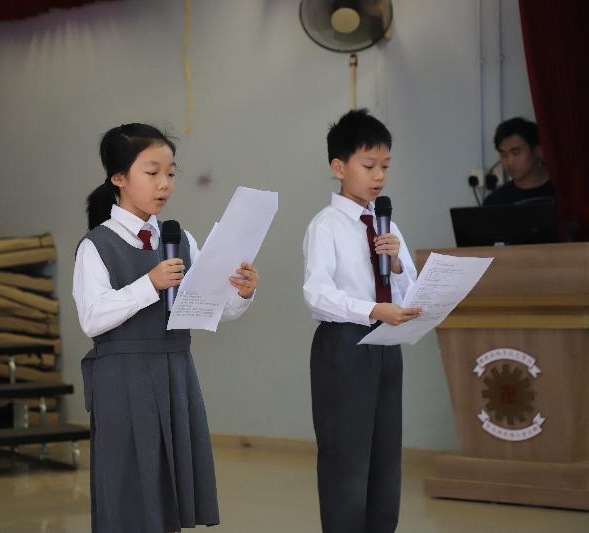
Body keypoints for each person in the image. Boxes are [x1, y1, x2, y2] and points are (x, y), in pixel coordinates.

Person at [73, 123, 259, 533]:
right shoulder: (96, 246)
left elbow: (208, 308)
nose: (165, 184)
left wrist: (241, 294)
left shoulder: (181, 239)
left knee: (169, 491)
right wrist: (149, 284)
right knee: (128, 492)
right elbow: (92, 316)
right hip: (122, 380)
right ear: (119, 178)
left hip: (176, 372)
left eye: (171, 173)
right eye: (152, 172)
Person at [303, 109, 421, 533]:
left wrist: (399, 266)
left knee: (385, 460)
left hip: (386, 345)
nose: (379, 176)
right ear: (339, 168)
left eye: (385, 166)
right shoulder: (326, 226)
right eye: (369, 166)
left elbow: (410, 293)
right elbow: (316, 295)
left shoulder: (388, 225)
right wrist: (371, 310)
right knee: (346, 461)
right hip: (344, 347)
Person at [483, 117, 554, 206]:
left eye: (516, 153)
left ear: (537, 151)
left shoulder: (563, 191)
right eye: (504, 154)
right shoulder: (495, 202)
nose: (509, 162)